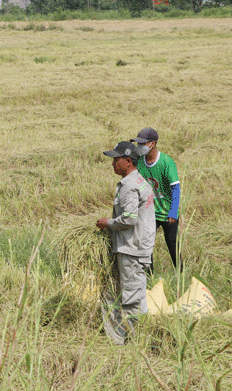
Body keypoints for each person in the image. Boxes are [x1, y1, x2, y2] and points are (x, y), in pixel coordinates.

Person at [96, 141, 155, 345]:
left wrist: (108, 223)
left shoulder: (129, 186)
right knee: (137, 293)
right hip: (140, 246)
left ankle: (134, 341)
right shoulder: (140, 181)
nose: (113, 164)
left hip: (131, 249)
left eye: (116, 160)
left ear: (128, 161)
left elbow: (129, 218)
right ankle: (141, 335)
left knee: (130, 297)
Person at [131, 127, 182, 271]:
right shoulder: (140, 162)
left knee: (172, 243)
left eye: (142, 143)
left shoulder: (166, 162)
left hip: (167, 212)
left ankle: (180, 273)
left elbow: (175, 188)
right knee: (146, 244)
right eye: (138, 144)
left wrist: (173, 211)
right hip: (149, 212)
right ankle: (149, 275)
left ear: (152, 144)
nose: (139, 147)